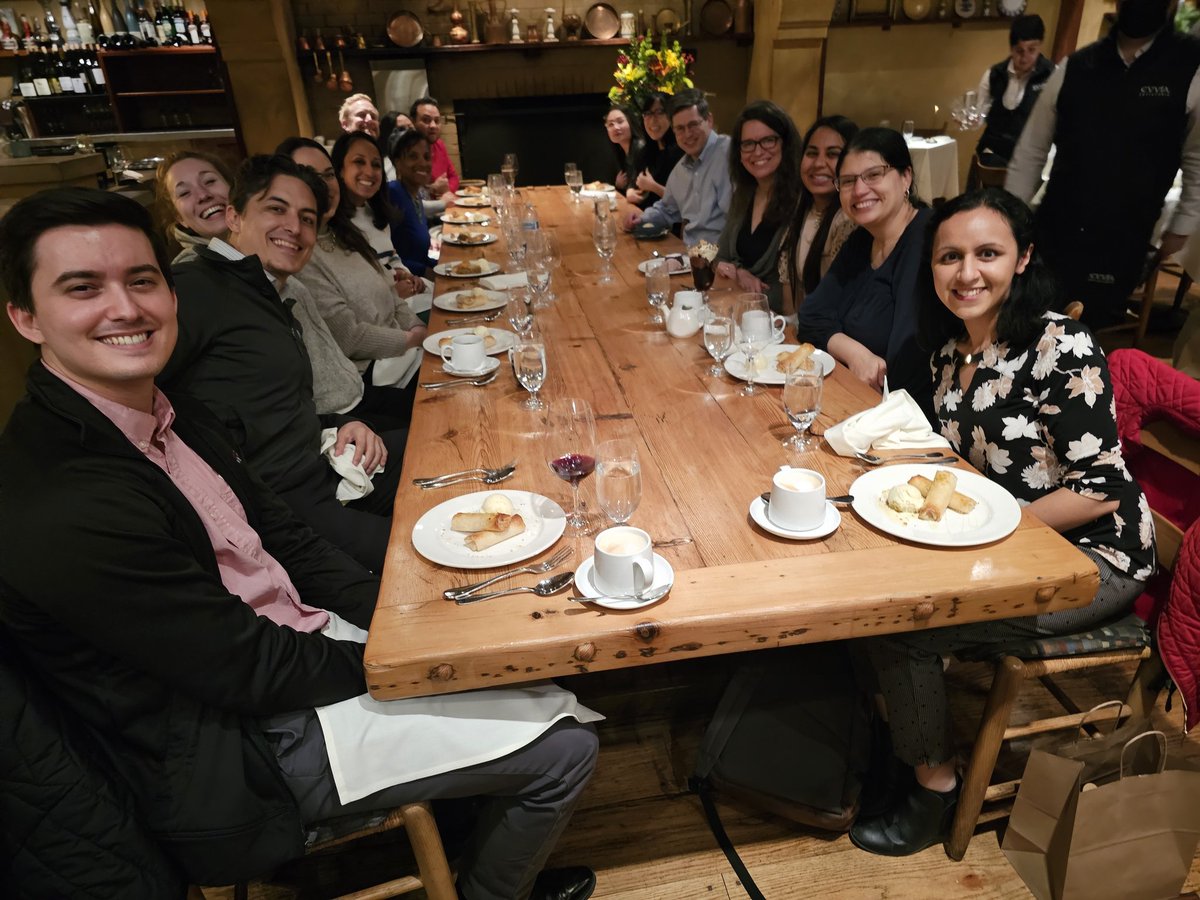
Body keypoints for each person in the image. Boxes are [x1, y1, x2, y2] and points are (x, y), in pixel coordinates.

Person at [0, 187, 601, 900]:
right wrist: (394, 663)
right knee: (569, 746)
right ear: (26, 317)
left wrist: (399, 624)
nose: (125, 307)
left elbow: (283, 537)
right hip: (239, 749)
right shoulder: (60, 498)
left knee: (509, 648)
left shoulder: (164, 407)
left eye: (141, 280)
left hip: (290, 652)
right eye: (82, 288)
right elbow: (242, 668)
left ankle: (470, 827)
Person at [849, 187, 1154, 857]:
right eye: (949, 257)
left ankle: (935, 783)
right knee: (860, 585)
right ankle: (896, 733)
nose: (967, 273)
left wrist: (985, 533)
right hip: (1002, 542)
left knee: (911, 623)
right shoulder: (948, 350)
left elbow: (1100, 491)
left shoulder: (1060, 345)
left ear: (1023, 259)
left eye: (988, 253)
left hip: (1090, 558)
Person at [159, 154, 404, 573]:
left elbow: (273, 405)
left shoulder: (265, 292)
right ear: (234, 216)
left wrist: (338, 424)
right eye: (276, 209)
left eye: (307, 218)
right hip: (286, 516)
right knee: (424, 553)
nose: (294, 227)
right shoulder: (195, 289)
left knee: (442, 452)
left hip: (324, 470)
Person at [1006, 0, 1200, 328]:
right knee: (1027, 319)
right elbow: (1030, 152)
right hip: (1056, 228)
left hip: (1125, 235)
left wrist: (1180, 227)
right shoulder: (1077, 65)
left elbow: (1196, 159)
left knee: (1085, 333)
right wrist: (1009, 219)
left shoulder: (1188, 67)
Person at [280, 136, 426, 426]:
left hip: (405, 356)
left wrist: (419, 328)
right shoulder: (298, 256)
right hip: (376, 375)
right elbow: (350, 337)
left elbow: (393, 295)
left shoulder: (345, 233)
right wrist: (414, 339)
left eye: (328, 175)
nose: (323, 185)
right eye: (308, 175)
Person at [797, 127, 933, 407]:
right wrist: (855, 353)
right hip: (856, 396)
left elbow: (908, 357)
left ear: (906, 176)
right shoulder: (863, 239)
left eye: (873, 175)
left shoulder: (927, 240)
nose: (859, 190)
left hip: (906, 417)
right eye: (847, 181)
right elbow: (810, 316)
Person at [713, 100, 803, 312]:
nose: (757, 151)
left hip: (777, 324)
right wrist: (739, 272)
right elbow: (720, 257)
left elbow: (791, 292)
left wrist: (743, 290)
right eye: (748, 144)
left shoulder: (801, 200)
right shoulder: (743, 193)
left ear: (785, 143)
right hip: (737, 311)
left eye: (768, 140)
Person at [621, 88, 732, 246]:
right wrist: (641, 219)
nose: (687, 134)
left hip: (723, 259)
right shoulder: (681, 168)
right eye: (680, 128)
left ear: (709, 120)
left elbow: (742, 221)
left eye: (693, 125)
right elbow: (667, 208)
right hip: (690, 255)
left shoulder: (731, 154)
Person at [777, 115, 860, 324]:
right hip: (802, 332)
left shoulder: (848, 222)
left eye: (833, 154)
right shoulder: (801, 210)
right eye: (811, 153)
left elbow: (838, 308)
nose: (819, 163)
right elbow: (790, 299)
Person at [973, 15, 1052, 168]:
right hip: (992, 157)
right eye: (1019, 51)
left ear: (1040, 45)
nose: (1024, 57)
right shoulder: (994, 75)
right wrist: (970, 120)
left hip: (1031, 161)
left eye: (1031, 50)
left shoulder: (1051, 76)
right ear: (1011, 48)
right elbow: (979, 117)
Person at [155, 150, 234, 262]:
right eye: (185, 193)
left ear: (233, 187)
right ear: (179, 218)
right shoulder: (190, 270)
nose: (203, 195)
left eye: (209, 181)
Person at [387, 127, 439, 277]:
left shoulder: (415, 196)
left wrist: (444, 268)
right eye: (413, 156)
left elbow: (420, 256)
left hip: (421, 277)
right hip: (407, 284)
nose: (422, 163)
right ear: (397, 163)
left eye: (426, 157)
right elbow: (387, 257)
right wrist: (427, 272)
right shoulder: (393, 193)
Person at [625, 91, 684, 209]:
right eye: (647, 113)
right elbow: (634, 180)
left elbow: (686, 201)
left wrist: (653, 186)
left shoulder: (682, 152)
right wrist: (630, 191)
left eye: (660, 112)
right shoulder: (645, 151)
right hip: (646, 218)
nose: (652, 120)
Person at [411, 95, 460, 198]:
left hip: (443, 205)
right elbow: (408, 196)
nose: (433, 126)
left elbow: (454, 177)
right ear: (413, 122)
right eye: (426, 120)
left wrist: (445, 192)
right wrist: (433, 189)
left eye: (437, 121)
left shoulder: (439, 145)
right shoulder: (407, 153)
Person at [603, 106, 644, 194]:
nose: (616, 128)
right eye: (611, 124)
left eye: (620, 121)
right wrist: (618, 185)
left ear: (630, 122)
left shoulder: (641, 149)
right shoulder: (620, 152)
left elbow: (639, 189)